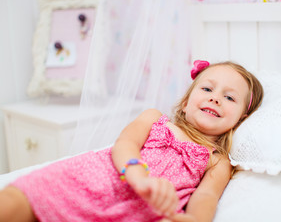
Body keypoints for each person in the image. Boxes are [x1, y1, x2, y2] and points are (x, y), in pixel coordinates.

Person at [0, 60, 263, 222]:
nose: (215, 98)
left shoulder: (217, 160)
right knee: (15, 200)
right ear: (185, 104)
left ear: (240, 119)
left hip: (139, 209)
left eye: (229, 98)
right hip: (97, 178)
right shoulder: (155, 118)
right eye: (207, 89)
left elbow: (206, 196)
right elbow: (124, 143)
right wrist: (135, 172)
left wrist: (195, 219)